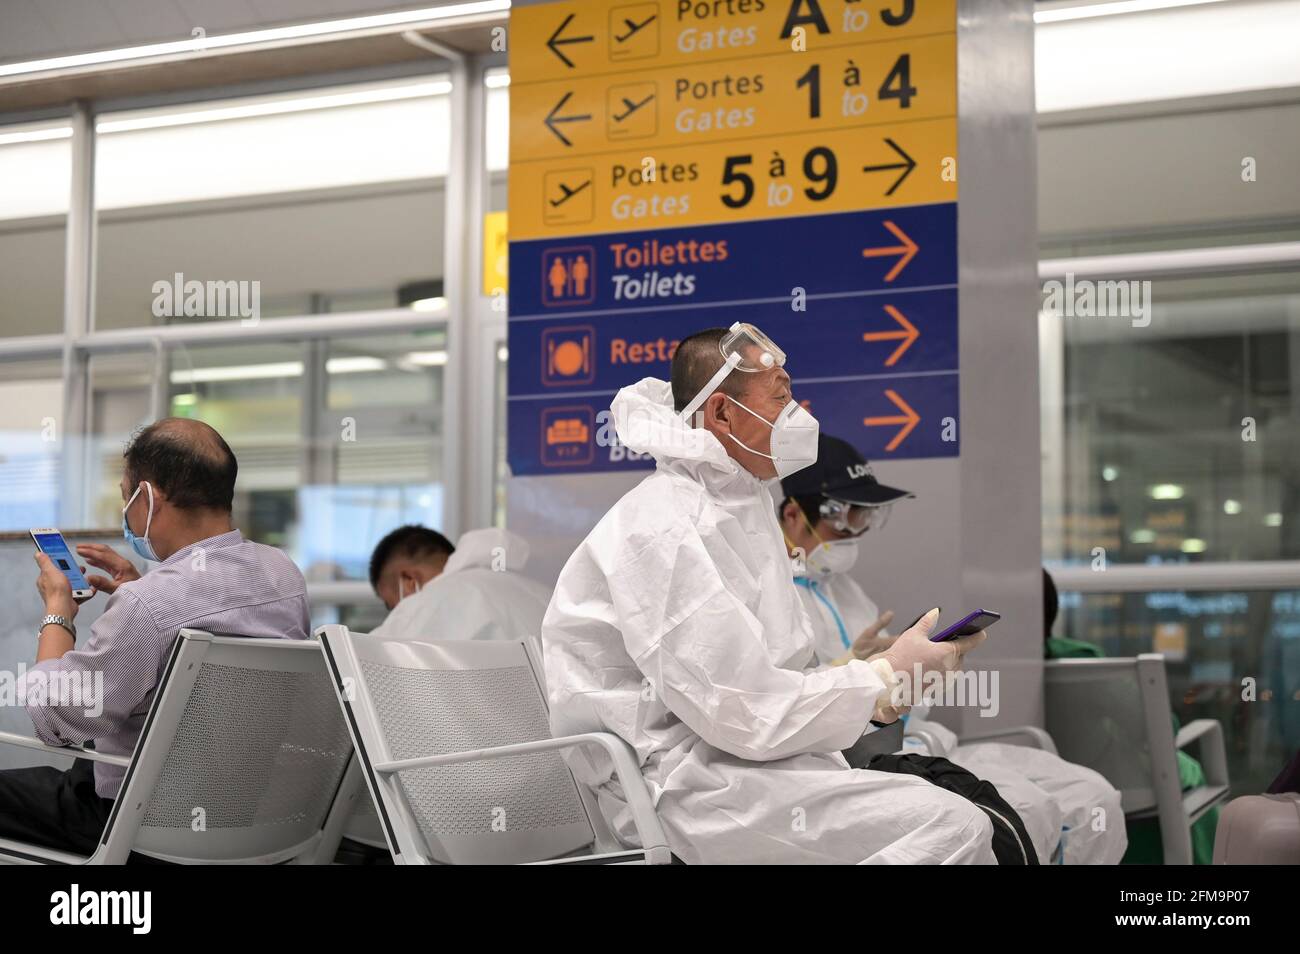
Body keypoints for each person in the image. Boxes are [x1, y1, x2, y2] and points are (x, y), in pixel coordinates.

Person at [542, 322, 995, 864]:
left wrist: (878, 682)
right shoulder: (665, 526)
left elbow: (770, 684)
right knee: (951, 826)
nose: (797, 414)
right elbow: (739, 711)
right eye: (780, 397)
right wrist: (879, 680)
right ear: (723, 415)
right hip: (686, 788)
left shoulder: (742, 505)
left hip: (745, 765)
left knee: (951, 812)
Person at [779, 436, 1127, 864]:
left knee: (1094, 799)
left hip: (921, 738)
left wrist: (916, 669)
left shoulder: (844, 591)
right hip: (865, 757)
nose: (859, 531)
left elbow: (896, 694)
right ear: (793, 514)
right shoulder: (771, 597)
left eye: (866, 515)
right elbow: (773, 706)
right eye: (847, 518)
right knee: (1030, 810)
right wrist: (852, 669)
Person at [2, 418, 310, 855]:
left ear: (147, 497)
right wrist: (138, 592)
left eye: (128, 496)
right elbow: (199, 618)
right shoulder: (283, 575)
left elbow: (57, 720)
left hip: (136, 820)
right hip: (244, 813)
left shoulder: (149, 605)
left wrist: (58, 613)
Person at [367, 524, 551, 644]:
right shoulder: (537, 591)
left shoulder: (431, 602)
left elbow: (368, 659)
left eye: (395, 605)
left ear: (408, 579)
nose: (399, 611)